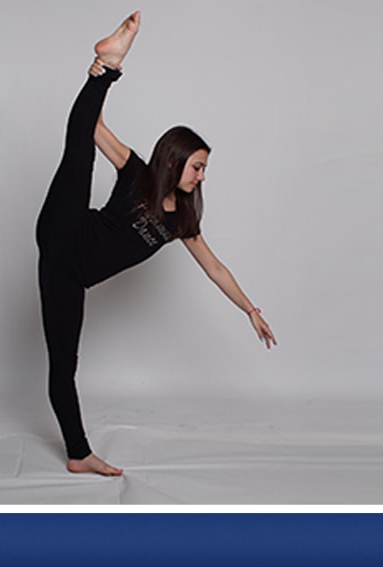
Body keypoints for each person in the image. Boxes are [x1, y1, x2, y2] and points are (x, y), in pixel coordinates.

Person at [36, 11, 277, 477]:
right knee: (78, 151)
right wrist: (96, 83)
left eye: (205, 168)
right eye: (197, 166)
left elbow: (215, 268)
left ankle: (78, 454)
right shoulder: (138, 174)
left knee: (64, 365)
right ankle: (109, 65)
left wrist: (250, 309)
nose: (202, 175)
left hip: (68, 275)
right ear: (176, 161)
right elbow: (90, 129)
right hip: (64, 229)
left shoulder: (181, 221)